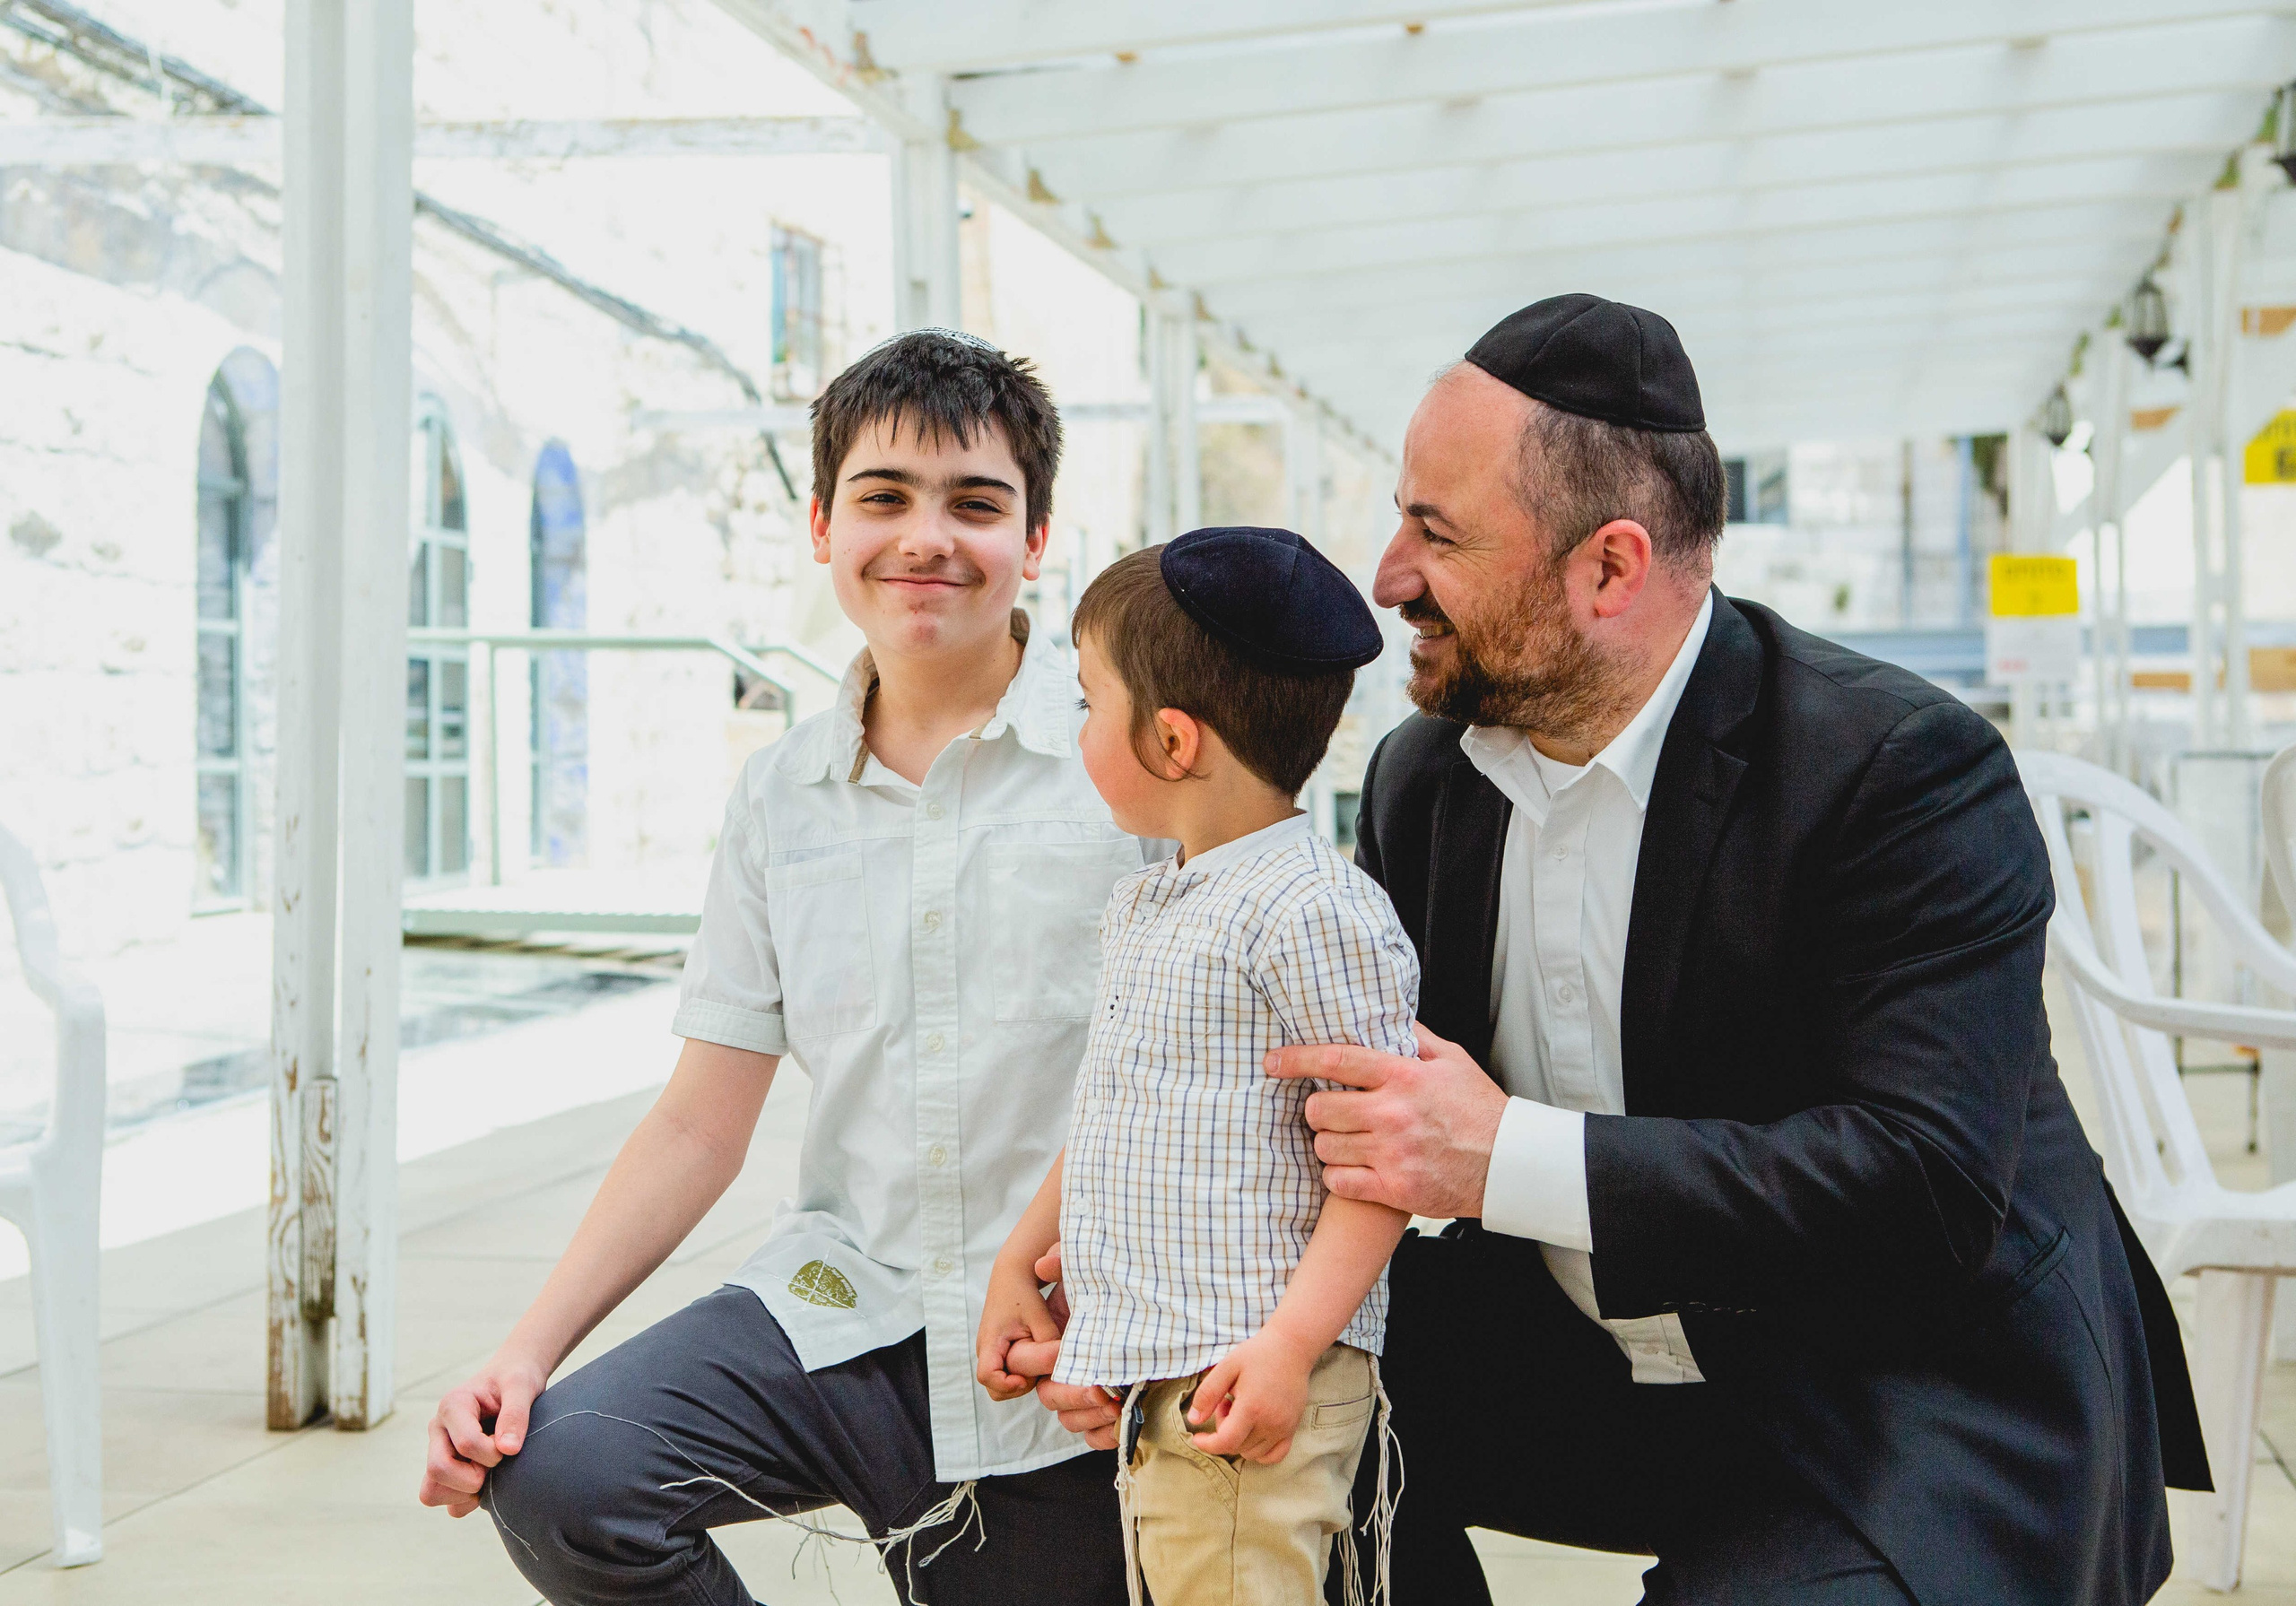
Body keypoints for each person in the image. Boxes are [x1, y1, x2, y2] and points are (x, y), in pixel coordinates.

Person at [1251, 293, 2206, 1603]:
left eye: (1436, 530)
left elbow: (1924, 1184)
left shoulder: (1900, 767)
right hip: (1582, 1358)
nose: (1387, 573)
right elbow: (1338, 1085)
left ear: (1611, 566)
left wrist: (1505, 1153)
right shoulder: (1427, 779)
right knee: (1223, 1424)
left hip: (1908, 1387)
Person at [414, 327, 1150, 1604]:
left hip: (1058, 1361)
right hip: (846, 1312)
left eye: (976, 503)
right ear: (822, 525)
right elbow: (703, 1120)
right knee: (569, 1477)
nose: (927, 537)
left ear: (1035, 541)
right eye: (883, 497)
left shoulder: (1130, 767)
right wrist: (525, 1352)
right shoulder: (779, 796)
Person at [977, 529, 1415, 1606]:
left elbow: (1384, 1162)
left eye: (1087, 703)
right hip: (1171, 1373)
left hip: (1250, 1374)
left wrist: (1290, 1347)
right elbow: (1123, 1110)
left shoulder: (1312, 909)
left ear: (1172, 740)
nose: (1076, 730)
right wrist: (1019, 1259)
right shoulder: (1153, 901)